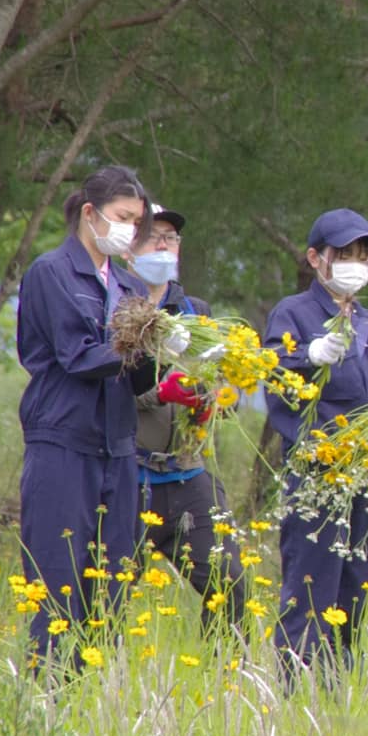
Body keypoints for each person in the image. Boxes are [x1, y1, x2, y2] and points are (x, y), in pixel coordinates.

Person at [15, 164, 158, 666]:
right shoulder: (51, 273)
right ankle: (47, 696)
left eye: (137, 222)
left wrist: (162, 352)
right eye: (123, 217)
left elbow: (138, 381)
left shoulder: (130, 286)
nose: (130, 230)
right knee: (58, 583)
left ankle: (95, 695)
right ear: (92, 213)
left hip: (117, 447)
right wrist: (139, 341)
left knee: (111, 584)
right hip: (63, 441)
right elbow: (77, 355)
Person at [263, 209, 368, 678]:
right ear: (315, 258)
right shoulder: (293, 312)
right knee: (309, 588)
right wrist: (307, 356)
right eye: (343, 254)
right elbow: (272, 374)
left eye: (362, 255)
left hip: (367, 478)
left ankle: (336, 690)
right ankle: (292, 692)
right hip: (317, 477)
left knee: (355, 589)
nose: (355, 264)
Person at [128, 207, 248, 636]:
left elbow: (221, 388)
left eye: (172, 238)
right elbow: (102, 390)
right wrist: (158, 393)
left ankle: (226, 684)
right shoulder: (115, 306)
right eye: (153, 236)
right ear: (128, 247)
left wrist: (215, 400)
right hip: (127, 475)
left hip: (185, 473)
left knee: (229, 582)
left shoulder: (196, 311)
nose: (164, 245)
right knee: (107, 593)